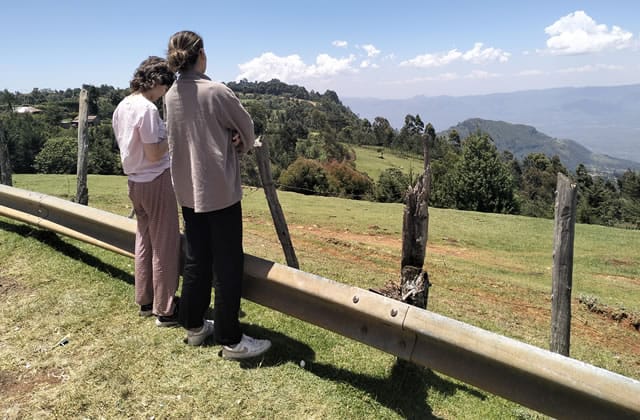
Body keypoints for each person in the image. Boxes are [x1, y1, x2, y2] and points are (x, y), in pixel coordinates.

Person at [164, 30, 271, 358]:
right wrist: (238, 143)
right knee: (227, 263)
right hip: (219, 191)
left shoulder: (170, 95)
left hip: (187, 190)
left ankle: (194, 325)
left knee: (196, 258)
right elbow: (248, 130)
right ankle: (230, 339)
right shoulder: (215, 91)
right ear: (201, 54)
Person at [112, 56, 180, 328]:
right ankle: (165, 309)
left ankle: (145, 299)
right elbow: (153, 153)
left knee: (144, 239)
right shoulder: (147, 110)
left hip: (135, 181)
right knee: (165, 243)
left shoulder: (122, 106)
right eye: (164, 88)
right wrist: (173, 137)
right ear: (156, 82)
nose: (164, 94)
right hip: (155, 179)